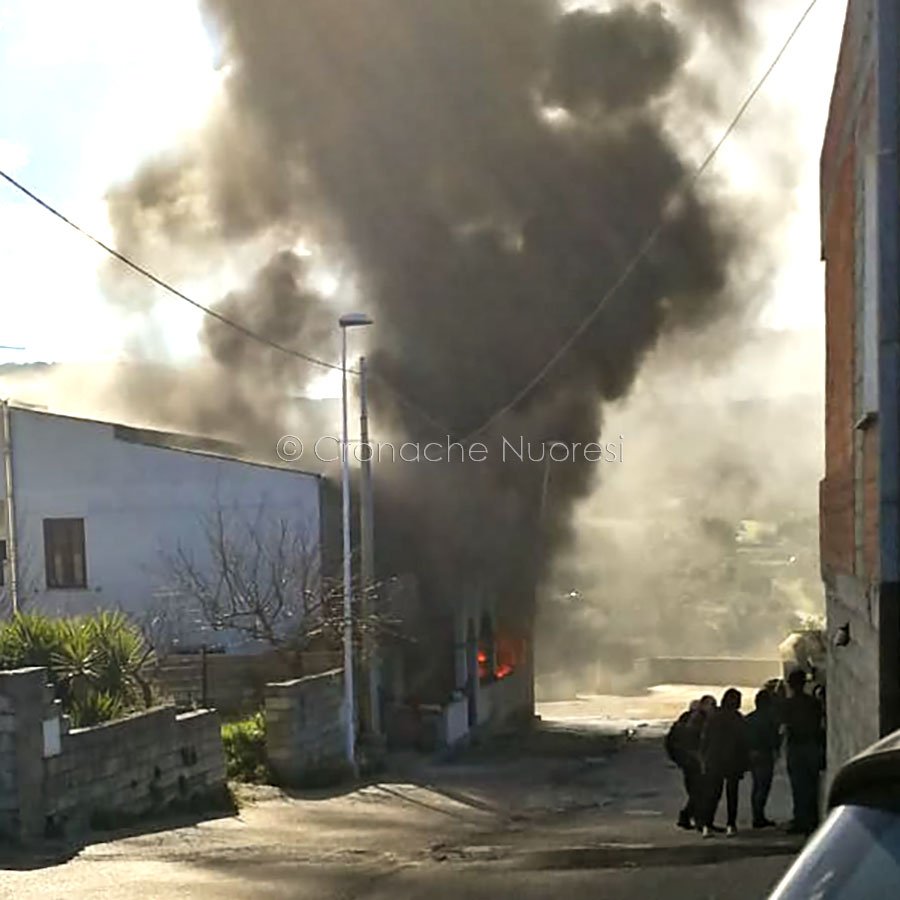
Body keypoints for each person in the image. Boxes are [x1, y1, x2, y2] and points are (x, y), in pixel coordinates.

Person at [699, 688, 749, 838]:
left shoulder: (714, 717)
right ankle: (730, 825)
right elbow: (743, 742)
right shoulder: (738, 718)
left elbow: (705, 739)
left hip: (714, 760)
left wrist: (703, 758)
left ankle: (707, 826)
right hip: (733, 760)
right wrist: (745, 763)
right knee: (732, 794)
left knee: (713, 794)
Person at [783, 669, 825, 836]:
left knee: (798, 787)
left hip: (796, 748)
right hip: (812, 747)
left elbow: (784, 727)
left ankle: (800, 820)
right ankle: (812, 821)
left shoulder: (788, 704)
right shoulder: (813, 703)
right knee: (812, 786)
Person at [665, 700, 704, 829]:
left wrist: (678, 759)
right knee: (699, 792)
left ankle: (692, 818)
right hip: (693, 762)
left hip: (688, 762)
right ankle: (690, 818)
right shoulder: (694, 723)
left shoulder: (680, 724)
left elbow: (670, 744)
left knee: (696, 792)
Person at [745, 689, 781, 828]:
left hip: (753, 754)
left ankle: (757, 815)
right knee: (763, 786)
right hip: (764, 754)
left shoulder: (749, 718)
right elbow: (773, 738)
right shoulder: (769, 719)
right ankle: (758, 817)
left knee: (757, 786)